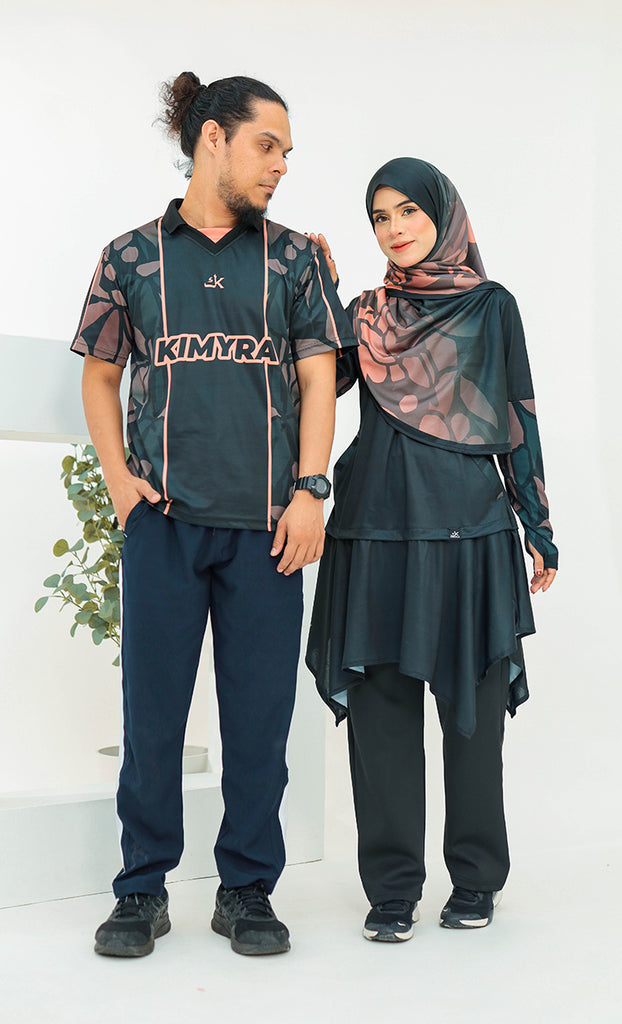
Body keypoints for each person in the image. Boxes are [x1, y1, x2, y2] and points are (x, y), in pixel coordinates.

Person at [71, 71, 354, 958]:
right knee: (151, 718)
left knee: (259, 724)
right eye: (267, 145)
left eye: (287, 153)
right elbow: (101, 374)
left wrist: (311, 491)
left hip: (268, 528)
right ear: (212, 139)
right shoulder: (130, 256)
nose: (280, 165)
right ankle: (141, 890)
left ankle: (247, 890)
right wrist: (119, 481)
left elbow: (319, 380)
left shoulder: (296, 259)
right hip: (162, 523)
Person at [306, 157, 557, 942]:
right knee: (381, 723)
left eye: (408, 211)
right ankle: (392, 892)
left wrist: (538, 526)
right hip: (376, 529)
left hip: (469, 534)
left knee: (472, 718)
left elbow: (517, 416)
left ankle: (476, 880)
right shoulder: (365, 312)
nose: (395, 229)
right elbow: (319, 386)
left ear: (443, 214)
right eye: (380, 217)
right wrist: (322, 296)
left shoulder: (491, 306)